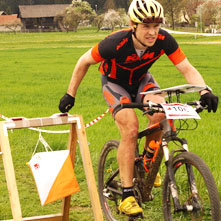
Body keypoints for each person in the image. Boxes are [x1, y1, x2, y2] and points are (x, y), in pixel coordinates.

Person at [59, 0, 218, 217]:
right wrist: (70, 94)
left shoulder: (164, 40)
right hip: (114, 84)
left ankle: (146, 162)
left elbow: (186, 68)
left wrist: (204, 91)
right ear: (133, 25)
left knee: (163, 112)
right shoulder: (114, 42)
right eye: (146, 26)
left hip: (143, 81)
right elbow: (83, 61)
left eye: (156, 26)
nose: (152, 32)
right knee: (130, 127)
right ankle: (126, 196)